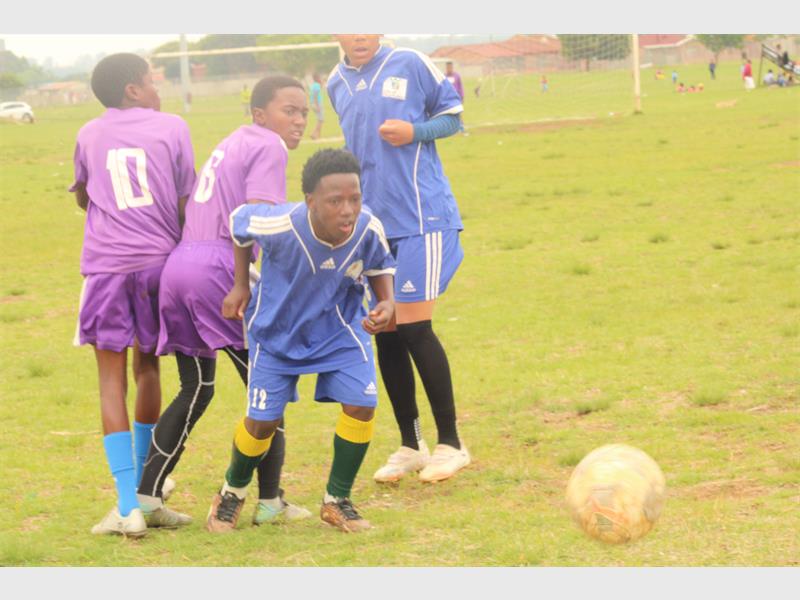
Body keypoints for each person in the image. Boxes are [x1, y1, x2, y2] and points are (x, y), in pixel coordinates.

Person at [135, 75, 312, 529]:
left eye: (303, 112)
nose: (297, 121)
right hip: (219, 270)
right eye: (288, 110)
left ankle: (148, 498)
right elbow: (258, 221)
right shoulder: (267, 145)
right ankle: (270, 502)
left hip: (181, 267)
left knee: (196, 387)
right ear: (259, 114)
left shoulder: (234, 140)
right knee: (267, 385)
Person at [205, 148, 396, 533]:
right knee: (262, 422)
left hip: (338, 331)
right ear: (310, 201)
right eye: (335, 201)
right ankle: (232, 491)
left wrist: (387, 302)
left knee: (362, 404)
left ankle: (337, 500)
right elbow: (238, 223)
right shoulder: (280, 224)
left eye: (355, 199)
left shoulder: (367, 226)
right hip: (277, 333)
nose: (348, 210)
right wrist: (241, 283)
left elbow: (379, 264)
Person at [328, 34, 470, 485]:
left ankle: (452, 443)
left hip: (422, 218)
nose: (359, 35)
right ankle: (412, 444)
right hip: (374, 226)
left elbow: (452, 117)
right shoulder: (335, 82)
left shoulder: (409, 62)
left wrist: (415, 132)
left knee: (413, 325)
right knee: (385, 331)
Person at [70, 53, 196, 537]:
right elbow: (187, 201)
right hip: (158, 264)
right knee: (149, 368)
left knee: (109, 379)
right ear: (132, 90)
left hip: (106, 268)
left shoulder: (88, 133)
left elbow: (83, 195)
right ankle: (149, 493)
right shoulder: (173, 127)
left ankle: (128, 506)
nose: (157, 88)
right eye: (151, 80)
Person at [309, 73, 324, 140]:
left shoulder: (313, 85)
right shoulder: (317, 85)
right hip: (317, 103)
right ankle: (313, 134)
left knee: (320, 119)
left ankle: (318, 135)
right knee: (320, 120)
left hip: (313, 103)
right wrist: (317, 106)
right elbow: (315, 95)